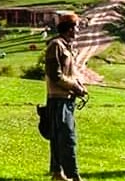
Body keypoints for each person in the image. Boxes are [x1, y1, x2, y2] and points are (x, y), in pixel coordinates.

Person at [44, 12, 87, 181]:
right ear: (70, 29)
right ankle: (74, 176)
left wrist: (79, 87)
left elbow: (70, 73)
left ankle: (57, 174)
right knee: (67, 138)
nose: (78, 31)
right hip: (57, 99)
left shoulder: (67, 47)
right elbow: (54, 75)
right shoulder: (56, 45)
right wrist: (74, 86)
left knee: (58, 137)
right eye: (76, 28)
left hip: (67, 99)